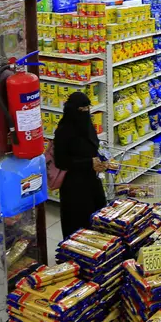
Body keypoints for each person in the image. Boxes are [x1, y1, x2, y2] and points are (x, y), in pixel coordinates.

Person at [53, 92, 107, 239]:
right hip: (74, 186)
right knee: (77, 224)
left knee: (98, 216)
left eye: (87, 109)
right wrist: (89, 162)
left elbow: (94, 146)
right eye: (81, 110)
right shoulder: (63, 131)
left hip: (92, 180)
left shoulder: (88, 125)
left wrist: (102, 159)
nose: (85, 113)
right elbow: (61, 161)